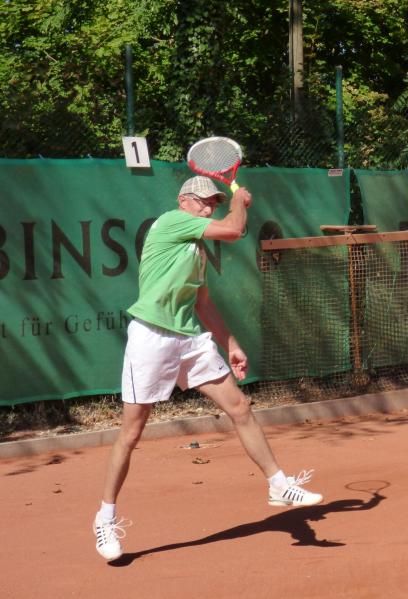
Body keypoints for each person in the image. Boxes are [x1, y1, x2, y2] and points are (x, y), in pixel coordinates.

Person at [92, 175, 323, 561]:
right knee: (131, 433)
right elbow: (233, 230)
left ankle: (278, 484)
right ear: (183, 201)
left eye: (213, 202)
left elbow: (202, 304)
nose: (207, 207)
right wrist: (239, 201)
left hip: (189, 340)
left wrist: (230, 343)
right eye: (201, 201)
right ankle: (105, 518)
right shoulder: (170, 221)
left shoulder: (197, 251)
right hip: (151, 337)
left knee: (240, 407)